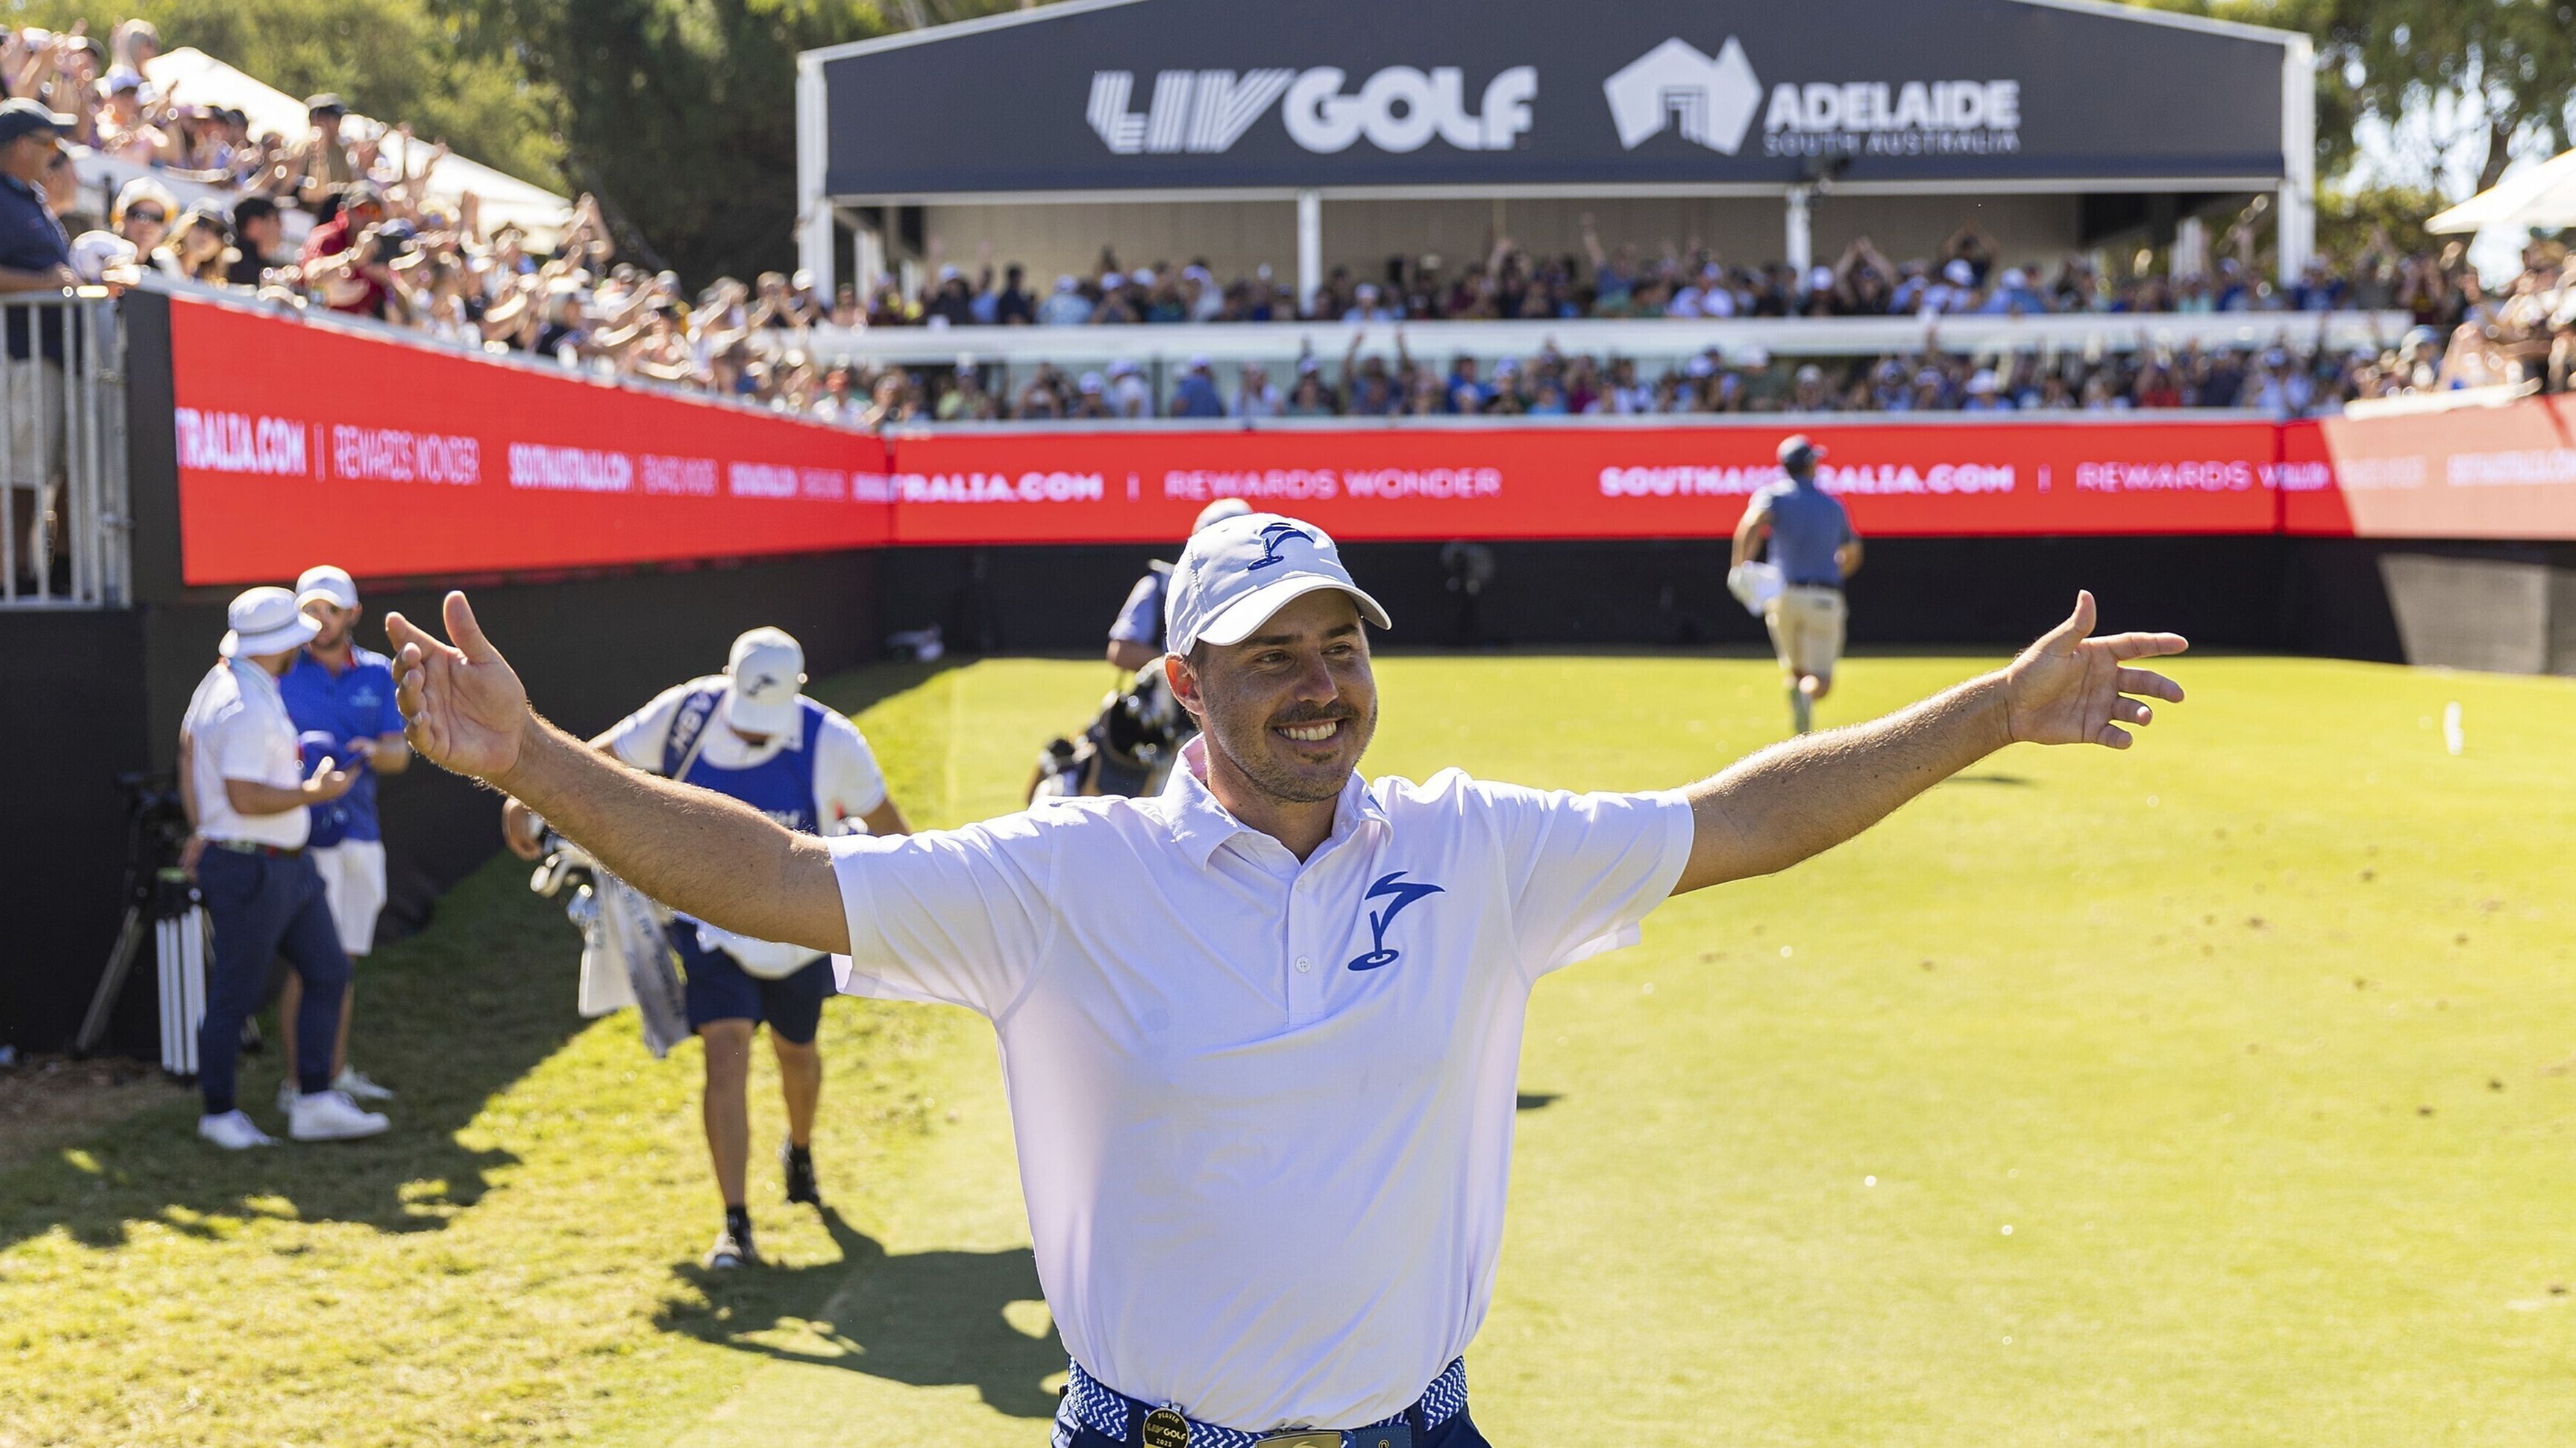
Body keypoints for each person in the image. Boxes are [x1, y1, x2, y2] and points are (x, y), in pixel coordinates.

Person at [388, 510, 2186, 1443]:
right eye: (1270, 655)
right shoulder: (1068, 875)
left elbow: (1741, 820)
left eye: (1342, 643)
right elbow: (778, 873)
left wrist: (1993, 710)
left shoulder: (1475, 845)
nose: (1319, 682)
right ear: (1187, 683)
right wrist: (537, 759)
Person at [499, 627, 912, 1270]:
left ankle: (799, 1150)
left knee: (796, 1054)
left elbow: (894, 835)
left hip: (800, 935)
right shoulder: (687, 713)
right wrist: (527, 794)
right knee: (726, 1053)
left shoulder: (833, 741)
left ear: (800, 689)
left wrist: (910, 922)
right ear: (727, 678)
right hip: (708, 925)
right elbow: (595, 760)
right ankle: (735, 1225)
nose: (750, 734)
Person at [180, 587, 391, 1148]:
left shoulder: (227, 680)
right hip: (254, 867)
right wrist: (314, 794)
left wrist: (203, 827)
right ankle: (219, 1114)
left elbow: (186, 752)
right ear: (282, 645)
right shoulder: (244, 702)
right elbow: (246, 797)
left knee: (327, 970)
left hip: (282, 866)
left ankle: (314, 1100)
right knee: (236, 994)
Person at [275, 565, 409, 1112]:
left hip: (359, 833)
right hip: (301, 837)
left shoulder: (378, 674)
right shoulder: (282, 669)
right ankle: (298, 1085)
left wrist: (372, 751)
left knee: (341, 964)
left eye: (328, 610)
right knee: (309, 964)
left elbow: (399, 753)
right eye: (308, 610)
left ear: (352, 615)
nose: (317, 621)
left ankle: (331, 1073)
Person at [0, 99, 79, 595]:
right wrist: (41, 281)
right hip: (17, 351)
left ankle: (32, 571)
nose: (56, 152)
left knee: (40, 471)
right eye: (48, 142)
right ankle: (11, 575)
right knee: (17, 473)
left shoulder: (28, 197)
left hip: (49, 350)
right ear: (18, 147)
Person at [1734, 434, 1862, 734]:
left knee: (1796, 670)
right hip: (1824, 597)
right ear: (1810, 466)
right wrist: (1834, 572)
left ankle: (1801, 731)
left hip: (1783, 596)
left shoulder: (1775, 496)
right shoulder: (1832, 505)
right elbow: (1853, 552)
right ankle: (1806, 695)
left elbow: (1751, 523)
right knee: (1821, 679)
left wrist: (1740, 567)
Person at [1105, 498, 1251, 673]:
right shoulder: (1162, 587)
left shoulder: (1270, 591)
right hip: (1172, 698)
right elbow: (1122, 651)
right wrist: (1184, 671)